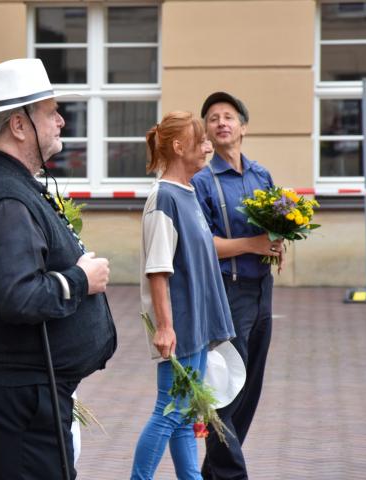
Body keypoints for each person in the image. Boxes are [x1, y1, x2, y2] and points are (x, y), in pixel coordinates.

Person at [0, 58, 116, 480]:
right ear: (19, 125)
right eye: (51, 112)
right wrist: (80, 280)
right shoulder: (3, 197)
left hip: (7, 391)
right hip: (14, 397)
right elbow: (20, 297)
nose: (60, 122)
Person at [131, 111, 235, 480]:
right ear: (178, 147)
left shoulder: (187, 192)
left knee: (185, 413)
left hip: (196, 322)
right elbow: (158, 269)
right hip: (180, 325)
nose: (209, 147)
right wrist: (164, 327)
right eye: (201, 141)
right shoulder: (164, 198)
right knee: (169, 410)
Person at [191, 92, 283, 479]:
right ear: (207, 133)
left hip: (262, 290)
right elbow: (202, 245)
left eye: (229, 116)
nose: (221, 122)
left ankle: (215, 473)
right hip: (227, 294)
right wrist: (253, 244)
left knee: (249, 391)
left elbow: (276, 226)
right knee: (225, 392)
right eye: (213, 118)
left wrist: (279, 240)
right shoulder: (202, 182)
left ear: (243, 127)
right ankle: (231, 475)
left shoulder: (261, 175)